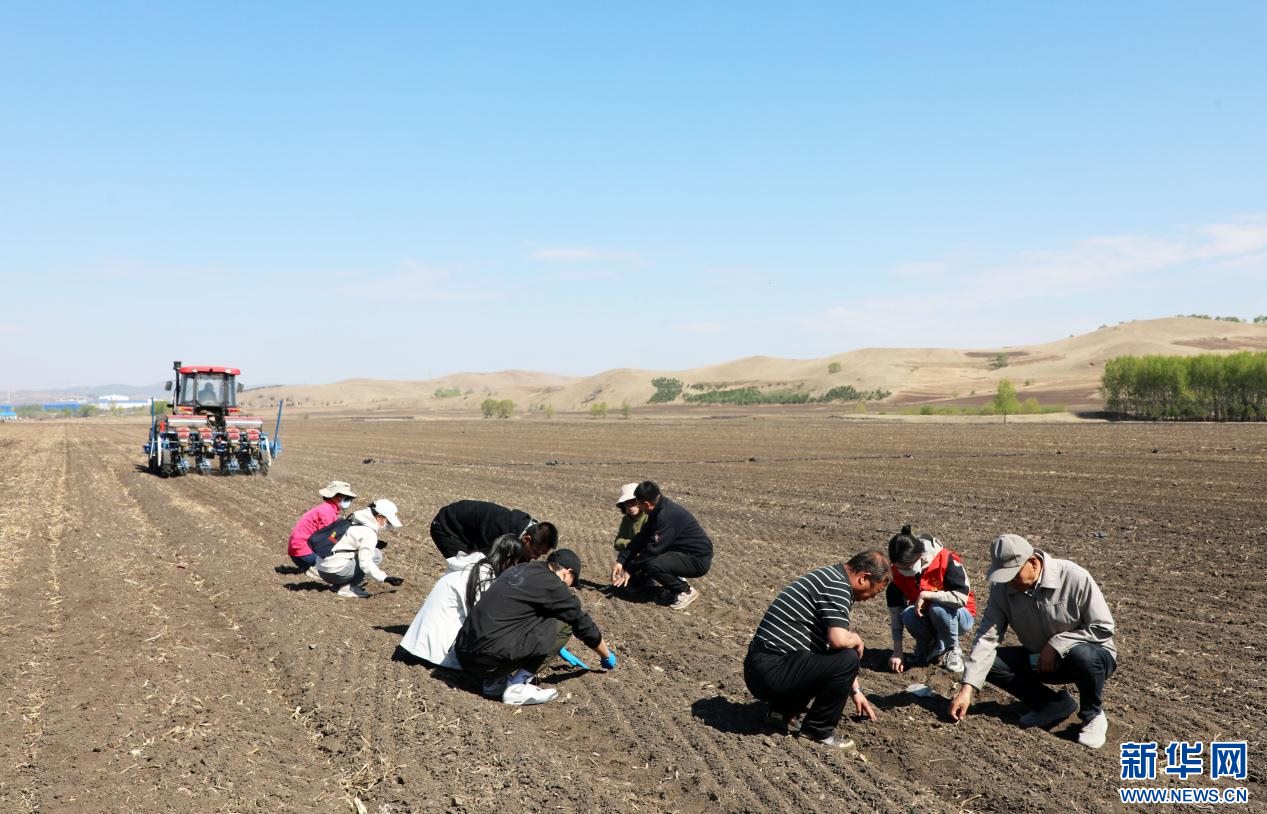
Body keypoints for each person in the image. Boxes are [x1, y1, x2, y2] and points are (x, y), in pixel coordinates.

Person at [948, 534, 1117, 749]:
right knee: (990, 662)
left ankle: (1092, 715)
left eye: (1013, 575)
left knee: (1082, 655)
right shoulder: (1002, 589)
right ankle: (1051, 704)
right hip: (1042, 661)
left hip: (1091, 659)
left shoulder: (1074, 577)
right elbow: (986, 638)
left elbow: (1103, 627)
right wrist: (967, 689)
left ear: (1034, 563)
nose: (1008, 582)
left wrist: (1056, 645)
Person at [743, 551, 890, 749]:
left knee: (830, 655)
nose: (872, 597)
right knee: (848, 656)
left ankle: (781, 712)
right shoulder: (837, 586)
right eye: (876, 591)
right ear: (864, 578)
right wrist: (856, 639)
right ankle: (818, 731)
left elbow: (831, 654)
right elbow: (839, 641)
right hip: (772, 671)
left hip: (762, 668)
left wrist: (855, 690)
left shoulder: (831, 578)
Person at [455, 549, 616, 706]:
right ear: (567, 572)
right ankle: (517, 686)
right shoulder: (552, 584)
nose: (568, 588)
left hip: (463, 655)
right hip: (490, 661)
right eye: (571, 582)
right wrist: (606, 655)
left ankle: (494, 682)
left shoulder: (521, 569)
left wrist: (549, 643)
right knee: (565, 623)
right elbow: (581, 622)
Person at [397, 534, 528, 668]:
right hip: (431, 653)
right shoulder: (483, 576)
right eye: (514, 562)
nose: (514, 567)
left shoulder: (469, 566)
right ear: (508, 558)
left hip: (415, 643)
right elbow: (482, 620)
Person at [886, 525, 977, 674]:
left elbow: (961, 598)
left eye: (907, 568)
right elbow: (896, 614)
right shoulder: (897, 574)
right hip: (927, 616)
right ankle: (926, 649)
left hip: (959, 616)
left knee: (938, 608)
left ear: (920, 556)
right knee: (908, 614)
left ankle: (952, 650)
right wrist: (897, 651)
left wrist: (927, 594)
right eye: (899, 568)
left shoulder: (945, 559)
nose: (903, 573)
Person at [610, 481, 713, 610]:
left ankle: (685, 591)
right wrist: (621, 561)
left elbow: (652, 550)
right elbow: (642, 537)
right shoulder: (658, 509)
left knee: (652, 564)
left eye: (638, 503)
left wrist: (629, 570)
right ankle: (672, 589)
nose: (638, 507)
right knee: (649, 560)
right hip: (682, 553)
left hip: (697, 559)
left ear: (646, 504)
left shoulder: (665, 516)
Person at [317, 499, 406, 599]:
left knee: (369, 553)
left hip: (321, 567)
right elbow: (365, 564)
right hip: (334, 573)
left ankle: (337, 585)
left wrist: (374, 544)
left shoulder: (355, 517)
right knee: (376, 555)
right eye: (388, 522)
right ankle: (349, 588)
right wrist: (385, 578)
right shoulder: (369, 533)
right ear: (379, 517)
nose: (388, 526)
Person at [429, 499, 558, 560]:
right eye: (536, 552)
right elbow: (482, 558)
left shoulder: (525, 531)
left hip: (470, 531)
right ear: (527, 539)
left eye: (540, 555)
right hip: (446, 526)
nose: (535, 557)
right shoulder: (498, 530)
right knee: (468, 568)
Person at [287, 481, 356, 578]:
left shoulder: (326, 508)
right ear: (334, 496)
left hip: (298, 551)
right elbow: (327, 540)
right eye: (346, 498)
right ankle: (315, 569)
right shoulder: (327, 512)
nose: (348, 501)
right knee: (339, 563)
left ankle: (312, 566)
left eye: (349, 498)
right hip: (303, 553)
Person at [612, 482, 648, 553]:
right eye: (627, 504)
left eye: (633, 503)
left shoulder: (648, 517)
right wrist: (630, 543)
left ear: (640, 502)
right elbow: (617, 542)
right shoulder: (626, 519)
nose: (630, 507)